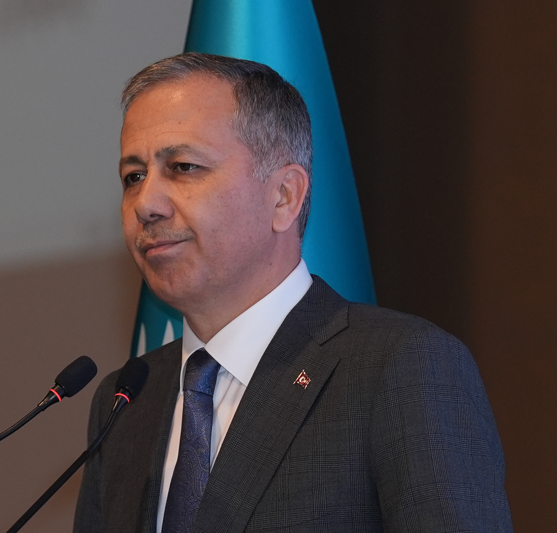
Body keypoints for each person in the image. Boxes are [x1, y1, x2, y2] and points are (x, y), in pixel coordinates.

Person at [74, 53, 512, 532]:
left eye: (183, 167)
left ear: (284, 196)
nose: (146, 204)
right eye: (133, 176)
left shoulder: (397, 367)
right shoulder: (125, 401)